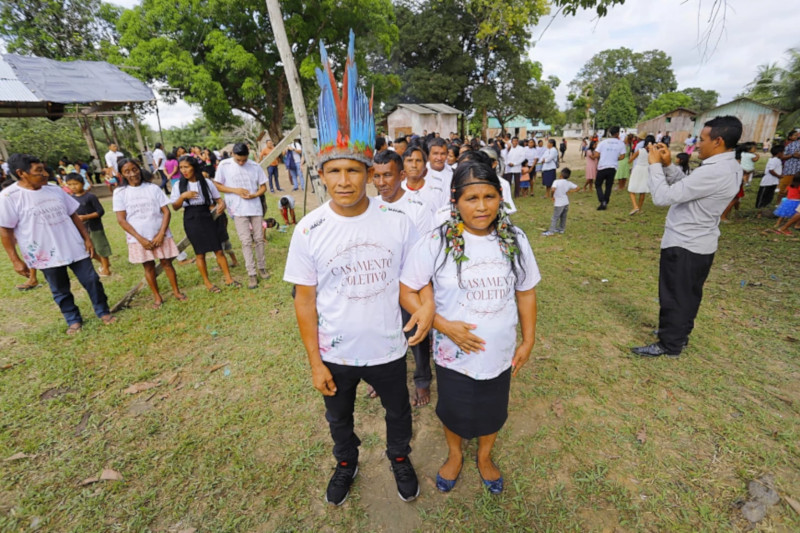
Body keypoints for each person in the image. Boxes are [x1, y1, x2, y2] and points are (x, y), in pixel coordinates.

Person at [284, 32, 420, 506]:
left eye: (354, 171)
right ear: (321, 174)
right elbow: (304, 300)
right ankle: (346, 462)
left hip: (386, 345)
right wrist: (314, 359)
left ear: (369, 172)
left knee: (398, 412)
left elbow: (413, 283)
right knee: (338, 418)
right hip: (336, 351)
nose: (344, 181)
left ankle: (399, 457)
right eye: (335, 172)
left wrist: (423, 312)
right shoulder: (308, 230)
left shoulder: (398, 222)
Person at [399, 158, 540, 495]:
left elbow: (526, 291)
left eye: (489, 197)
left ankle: (485, 456)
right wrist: (444, 326)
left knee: (493, 410)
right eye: (471, 199)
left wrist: (529, 340)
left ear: (500, 197)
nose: (481, 207)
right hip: (454, 355)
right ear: (455, 201)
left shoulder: (514, 238)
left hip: (500, 352)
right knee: (453, 410)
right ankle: (454, 454)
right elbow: (407, 291)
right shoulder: (438, 240)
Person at [632, 116, 743, 358]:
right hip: (700, 242)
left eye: (701, 139)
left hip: (685, 242)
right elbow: (687, 188)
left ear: (718, 141)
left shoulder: (715, 171)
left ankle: (669, 345)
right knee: (688, 294)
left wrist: (653, 165)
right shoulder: (727, 166)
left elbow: (662, 197)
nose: (697, 144)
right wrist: (668, 165)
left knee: (674, 294)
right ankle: (677, 333)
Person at [0, 153, 115, 334]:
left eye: (44, 169)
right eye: (39, 171)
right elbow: (5, 230)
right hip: (45, 253)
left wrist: (86, 238)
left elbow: (73, 215)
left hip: (74, 245)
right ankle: (73, 320)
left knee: (92, 280)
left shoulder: (54, 189)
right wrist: (15, 259)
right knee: (60, 289)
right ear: (21, 173)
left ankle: (103, 312)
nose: (45, 174)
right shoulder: (9, 197)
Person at [372, 149, 435, 407]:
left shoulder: (417, 208)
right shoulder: (370, 206)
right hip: (379, 284)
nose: (381, 183)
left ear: (400, 175)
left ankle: (422, 381)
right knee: (381, 332)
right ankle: (381, 378)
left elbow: (423, 253)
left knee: (415, 334)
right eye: (376, 176)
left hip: (410, 284)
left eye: (387, 175)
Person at [114, 158, 186, 309]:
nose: (132, 174)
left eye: (134, 169)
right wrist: (140, 239)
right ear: (121, 174)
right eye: (127, 171)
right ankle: (157, 297)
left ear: (139, 169)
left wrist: (161, 234)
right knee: (148, 267)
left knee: (167, 263)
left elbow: (166, 212)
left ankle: (176, 292)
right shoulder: (120, 192)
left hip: (160, 233)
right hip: (139, 238)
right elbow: (121, 220)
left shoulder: (152, 188)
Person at [170, 156, 239, 292]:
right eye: (181, 167)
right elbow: (175, 207)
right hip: (191, 218)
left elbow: (218, 199)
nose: (183, 170)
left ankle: (228, 278)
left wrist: (221, 204)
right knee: (200, 253)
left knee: (218, 249)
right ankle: (208, 283)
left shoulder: (206, 182)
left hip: (207, 216)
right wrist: (183, 196)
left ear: (194, 167)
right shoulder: (179, 185)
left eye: (186, 167)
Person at [214, 142, 269, 289]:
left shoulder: (255, 166)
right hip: (238, 209)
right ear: (232, 153)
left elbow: (263, 186)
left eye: (244, 160)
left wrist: (255, 194)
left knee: (258, 239)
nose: (241, 162)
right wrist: (235, 190)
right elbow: (217, 185)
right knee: (245, 241)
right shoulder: (224, 165)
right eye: (239, 160)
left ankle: (262, 267)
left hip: (255, 208)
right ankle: (251, 273)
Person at [66, 173, 112, 277]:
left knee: (101, 247)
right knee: (88, 249)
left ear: (82, 183)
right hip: (81, 229)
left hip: (95, 227)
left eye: (75, 184)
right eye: (70, 184)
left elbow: (100, 211)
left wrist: (86, 217)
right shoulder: (70, 198)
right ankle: (103, 262)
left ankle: (106, 269)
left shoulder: (90, 197)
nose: (73, 187)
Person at [594, 126, 627, 210]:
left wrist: (604, 156)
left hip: (602, 166)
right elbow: (623, 156)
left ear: (610, 133)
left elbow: (597, 155)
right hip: (613, 167)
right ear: (617, 134)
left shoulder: (603, 142)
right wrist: (615, 158)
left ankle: (602, 200)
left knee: (598, 184)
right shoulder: (621, 143)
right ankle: (606, 200)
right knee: (608, 186)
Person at [543, 167, 578, 236]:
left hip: (559, 203)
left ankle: (551, 231)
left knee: (555, 217)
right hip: (566, 202)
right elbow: (577, 188)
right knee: (563, 216)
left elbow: (553, 189)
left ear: (560, 175)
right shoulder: (568, 183)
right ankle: (561, 229)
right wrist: (571, 191)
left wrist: (552, 196)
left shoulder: (556, 181)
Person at [627, 135, 655, 215]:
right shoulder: (653, 152)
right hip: (647, 170)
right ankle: (639, 208)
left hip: (638, 169)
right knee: (643, 191)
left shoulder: (640, 150)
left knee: (632, 189)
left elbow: (630, 160)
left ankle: (635, 206)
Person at [426, 137, 453, 206]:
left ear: (447, 154)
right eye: (435, 153)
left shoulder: (453, 173)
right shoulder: (420, 173)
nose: (439, 158)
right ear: (428, 155)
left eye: (443, 154)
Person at [756, 145, 783, 211]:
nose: (783, 154)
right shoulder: (774, 160)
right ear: (779, 153)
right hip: (767, 182)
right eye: (783, 152)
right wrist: (778, 176)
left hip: (773, 182)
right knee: (763, 195)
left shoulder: (778, 160)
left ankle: (765, 206)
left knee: (769, 195)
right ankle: (759, 208)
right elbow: (771, 170)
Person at [778, 130, 800, 198]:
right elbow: (782, 157)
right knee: (784, 186)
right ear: (790, 137)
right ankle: (779, 202)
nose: (797, 136)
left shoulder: (798, 143)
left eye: (797, 135)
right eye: (795, 135)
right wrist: (792, 155)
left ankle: (790, 199)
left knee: (794, 187)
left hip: (798, 169)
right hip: (789, 169)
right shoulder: (787, 144)